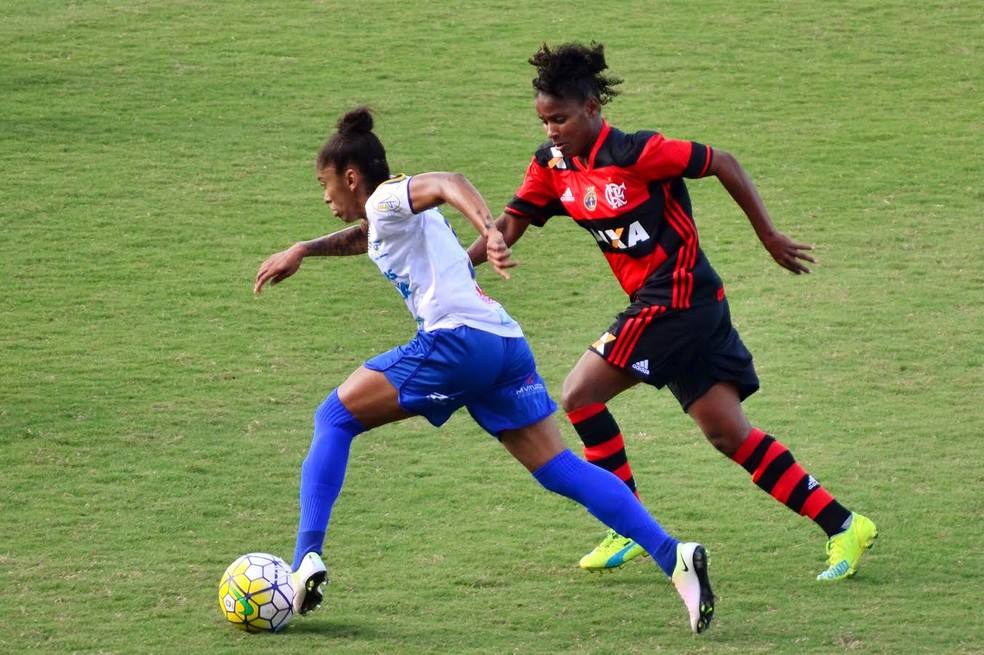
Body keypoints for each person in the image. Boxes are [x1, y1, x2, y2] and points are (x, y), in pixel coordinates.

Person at [252, 107, 715, 633]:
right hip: (503, 342)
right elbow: (367, 236)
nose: (324, 196)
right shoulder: (387, 214)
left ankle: (304, 561)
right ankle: (673, 556)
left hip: (456, 342)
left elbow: (451, 182)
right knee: (559, 468)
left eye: (325, 184)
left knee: (334, 417)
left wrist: (490, 232)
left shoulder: (385, 197)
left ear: (351, 176)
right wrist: (303, 250)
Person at [467, 42, 877, 581]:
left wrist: (769, 235)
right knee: (728, 433)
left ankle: (625, 521)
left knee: (579, 393)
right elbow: (511, 222)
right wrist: (472, 258)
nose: (551, 130)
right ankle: (846, 525)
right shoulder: (553, 167)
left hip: (678, 299)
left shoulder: (639, 153)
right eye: (544, 121)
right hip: (681, 309)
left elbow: (722, 162)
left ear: (593, 107)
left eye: (560, 118)